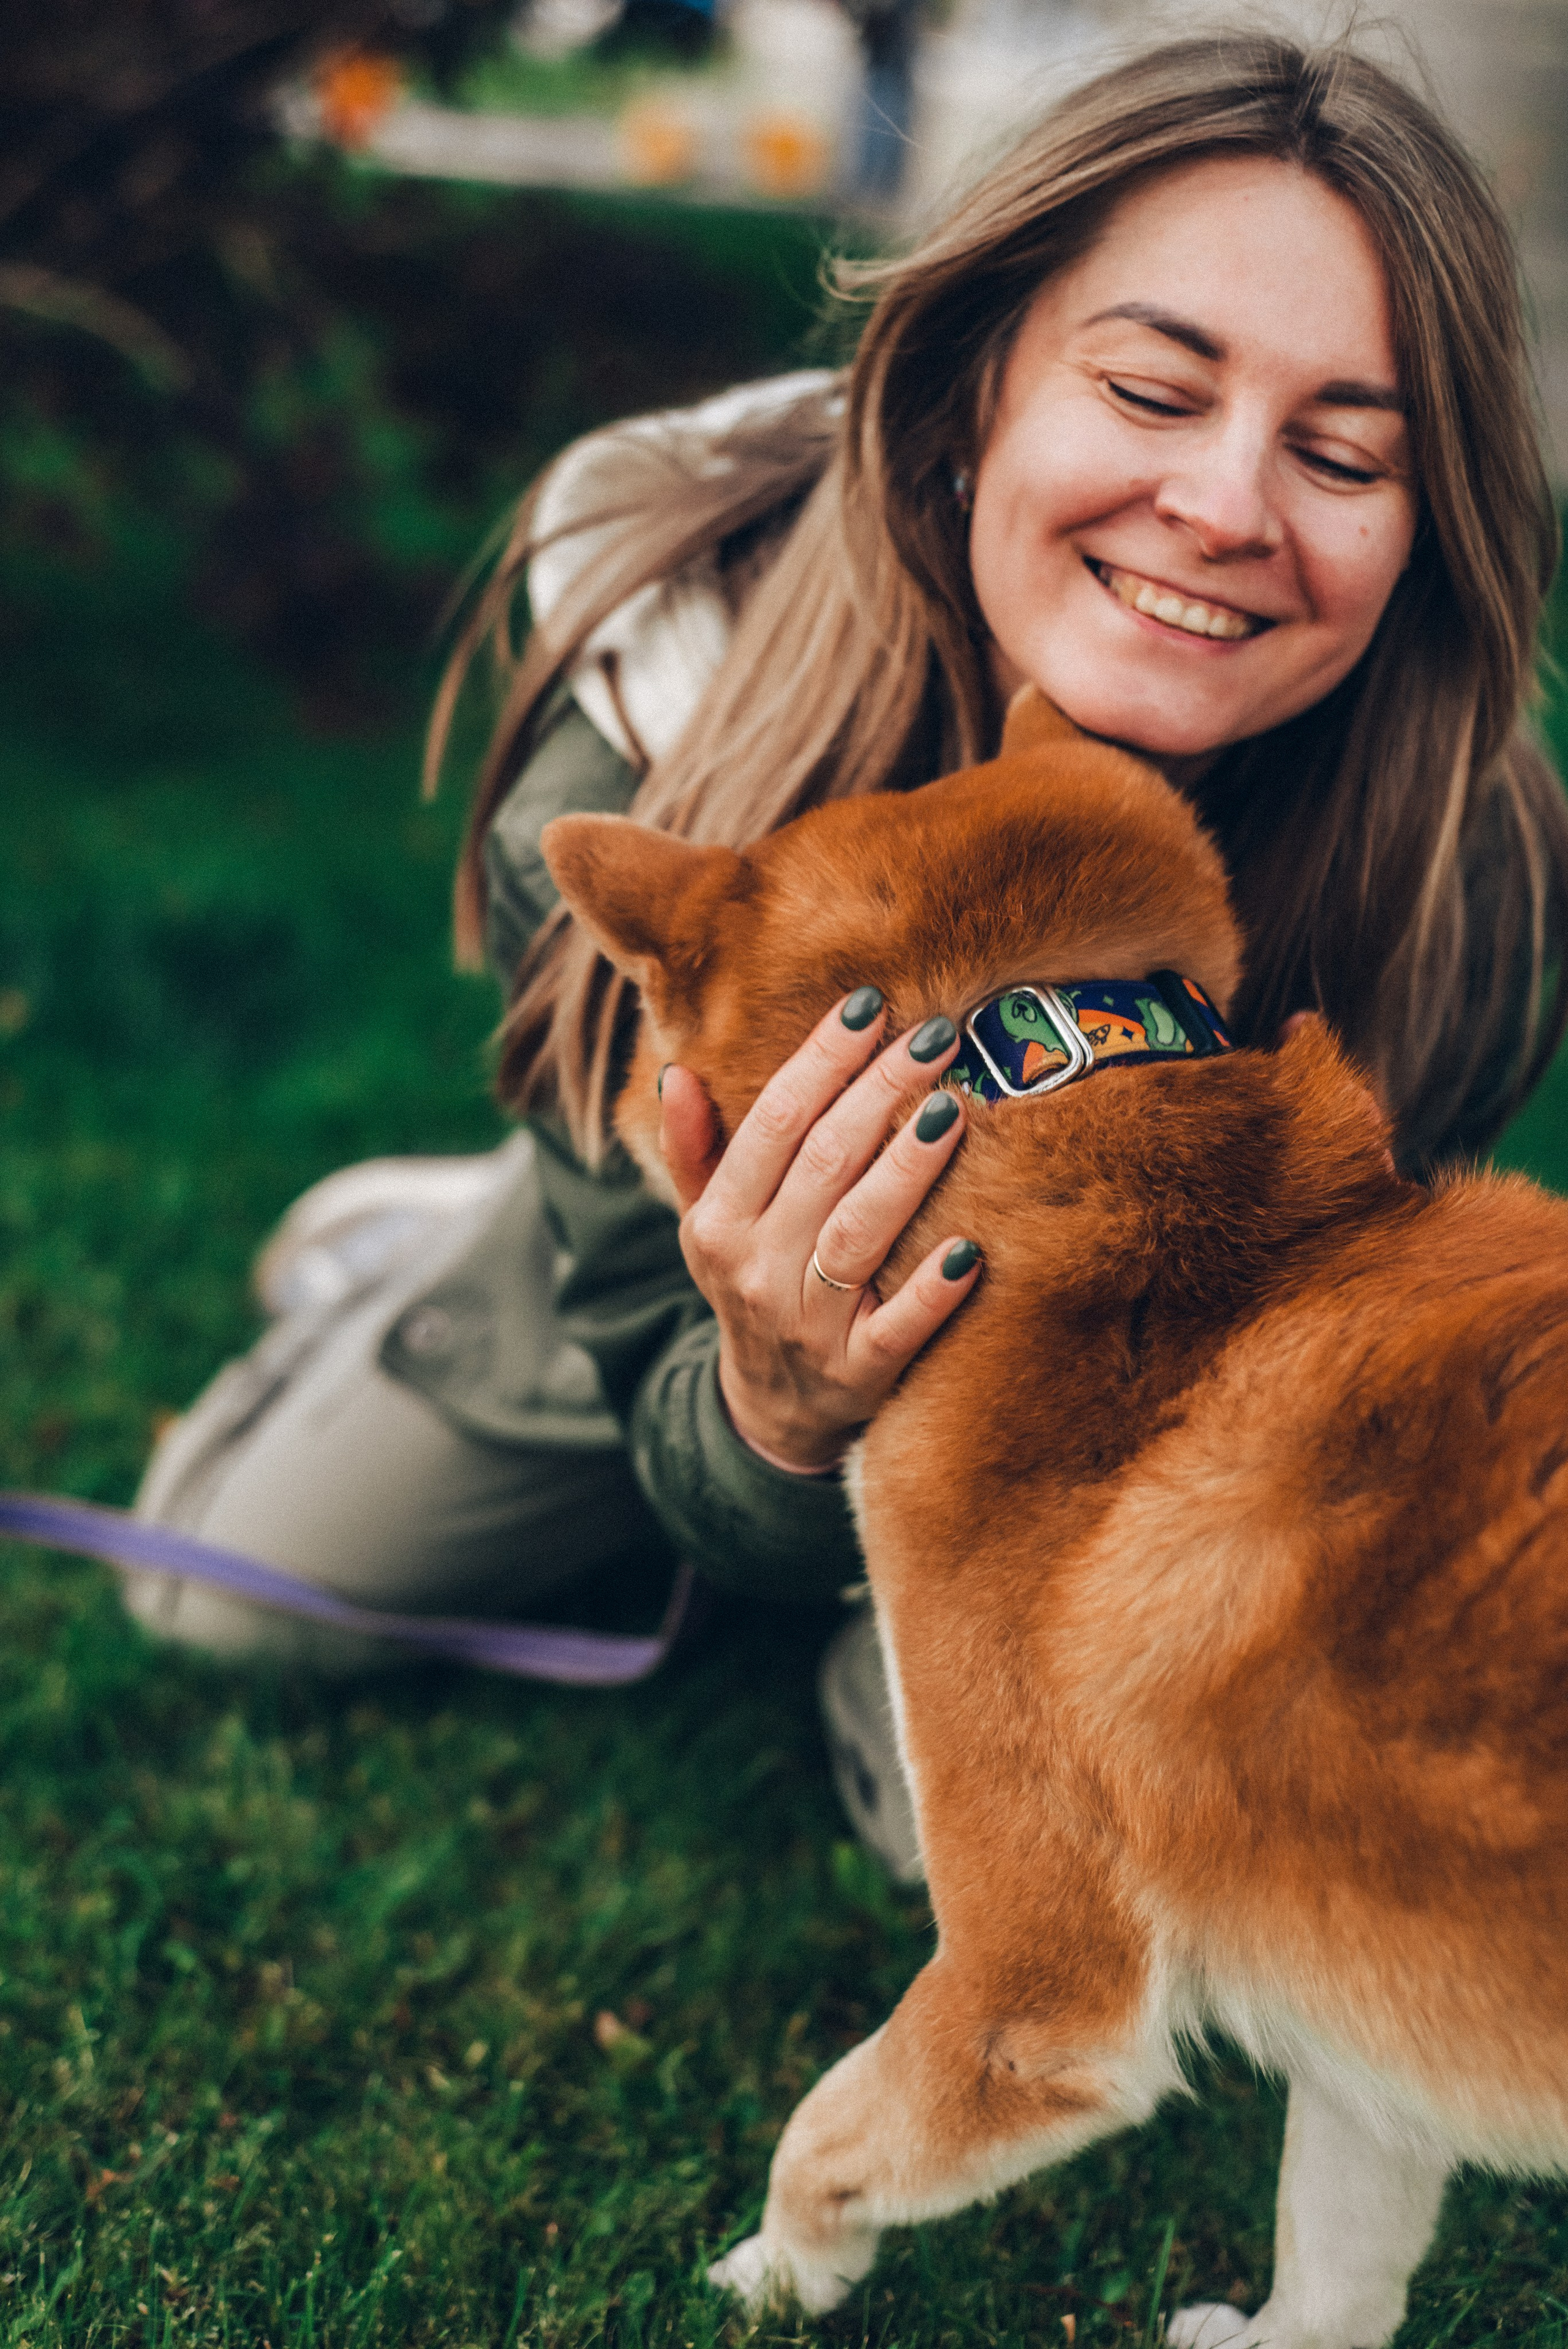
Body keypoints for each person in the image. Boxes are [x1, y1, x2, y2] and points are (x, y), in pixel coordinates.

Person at [126, 32, 1568, 1881]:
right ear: (978, 387)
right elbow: (705, 1430)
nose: (1227, 507)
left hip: (1095, 1395)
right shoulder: (671, 686)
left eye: (1344, 452)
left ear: (1421, 522)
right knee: (237, 1599)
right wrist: (772, 1407)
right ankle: (461, 1245)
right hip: (675, 1295)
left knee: (993, 1827)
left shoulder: (1470, 856)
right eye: (1149, 391)